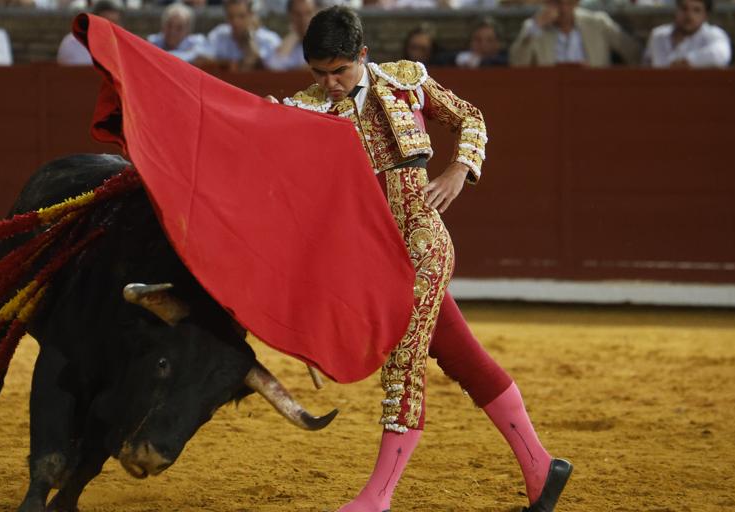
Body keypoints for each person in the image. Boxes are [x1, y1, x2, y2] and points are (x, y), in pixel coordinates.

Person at [270, 6, 572, 512]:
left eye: (340, 72)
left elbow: (469, 117)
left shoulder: (407, 80)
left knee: (404, 360)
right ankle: (542, 468)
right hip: (371, 261)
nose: (331, 84)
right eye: (319, 73)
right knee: (464, 357)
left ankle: (378, 498)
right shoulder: (305, 107)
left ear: (362, 56)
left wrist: (459, 170)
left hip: (422, 244)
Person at [509, 0, 641, 67]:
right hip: (550, 96)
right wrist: (536, 26)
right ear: (547, 3)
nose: (563, 8)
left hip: (594, 91)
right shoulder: (534, 27)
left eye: (569, 2)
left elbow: (633, 52)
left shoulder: (597, 23)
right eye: (557, 2)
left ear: (576, 3)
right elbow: (517, 64)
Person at [644, 0, 731, 68]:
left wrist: (687, 62)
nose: (689, 15)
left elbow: (720, 56)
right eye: (684, 9)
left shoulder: (714, 34)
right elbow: (646, 64)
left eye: (696, 10)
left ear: (705, 15)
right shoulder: (658, 35)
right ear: (676, 10)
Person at [206, 0, 281, 70]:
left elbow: (271, 68)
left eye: (241, 16)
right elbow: (200, 59)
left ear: (251, 15)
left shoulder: (268, 39)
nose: (235, 22)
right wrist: (226, 64)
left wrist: (249, 40)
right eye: (231, 17)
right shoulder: (219, 35)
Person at [57, 0, 123, 65]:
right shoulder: (71, 43)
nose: (111, 28)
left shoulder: (123, 45)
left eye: (115, 23)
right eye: (106, 23)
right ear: (93, 22)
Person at [147, 2, 213, 64]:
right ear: (163, 26)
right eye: (169, 25)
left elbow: (208, 56)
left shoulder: (197, 42)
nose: (173, 31)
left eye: (179, 28)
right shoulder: (153, 42)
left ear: (187, 31)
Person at [265, 0, 316, 70]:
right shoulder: (287, 44)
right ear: (290, 15)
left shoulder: (325, 42)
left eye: (308, 13)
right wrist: (294, 35)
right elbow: (273, 67)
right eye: (298, 14)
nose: (304, 19)